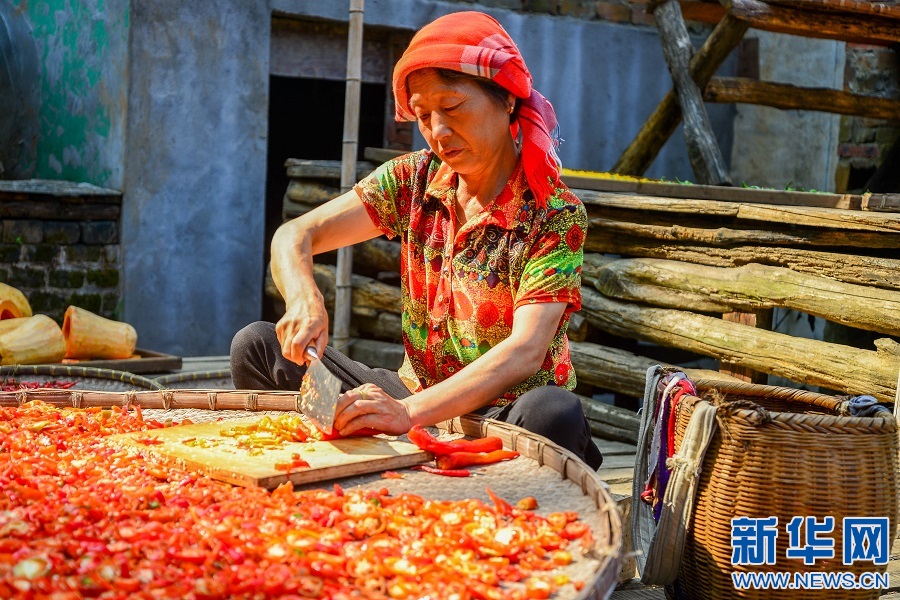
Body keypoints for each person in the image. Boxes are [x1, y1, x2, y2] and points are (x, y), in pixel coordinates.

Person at [231, 11, 603, 469]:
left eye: (452, 107)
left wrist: (405, 414)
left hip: (501, 415)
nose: (438, 131)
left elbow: (526, 351)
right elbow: (295, 234)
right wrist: (304, 298)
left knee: (554, 413)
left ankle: (426, 462)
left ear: (506, 99)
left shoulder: (554, 213)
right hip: (414, 396)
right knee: (257, 345)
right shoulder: (415, 178)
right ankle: (344, 465)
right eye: (424, 116)